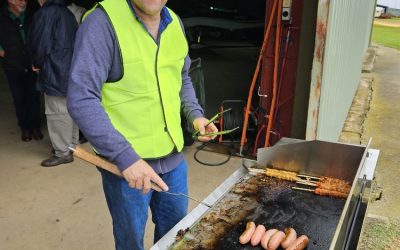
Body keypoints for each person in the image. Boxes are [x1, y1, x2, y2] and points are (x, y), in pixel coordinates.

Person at [67, 0, 218, 249]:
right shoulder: (102, 23)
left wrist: (195, 114)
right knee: (130, 242)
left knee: (175, 237)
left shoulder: (174, 22)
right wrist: (125, 157)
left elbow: (181, 76)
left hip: (173, 160)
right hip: (126, 168)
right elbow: (81, 98)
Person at [27, 0, 79, 167]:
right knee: (70, 110)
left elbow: (40, 42)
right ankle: (71, 146)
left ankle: (62, 152)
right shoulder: (67, 12)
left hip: (56, 70)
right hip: (70, 68)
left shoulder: (47, 13)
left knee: (57, 112)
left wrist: (36, 62)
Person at [0, 0, 42, 142]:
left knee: (34, 96)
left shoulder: (33, 11)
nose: (22, 1)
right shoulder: (2, 14)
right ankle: (25, 127)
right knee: (19, 97)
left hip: (32, 62)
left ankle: (35, 126)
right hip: (12, 63)